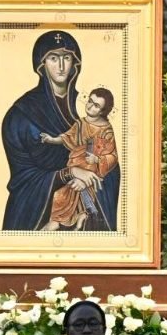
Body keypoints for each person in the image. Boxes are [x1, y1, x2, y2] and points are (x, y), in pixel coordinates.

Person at [1, 29, 120, 231]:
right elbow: (23, 178)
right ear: (41, 64)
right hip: (35, 212)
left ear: (76, 63)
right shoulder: (21, 114)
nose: (62, 66)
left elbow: (110, 161)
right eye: (53, 58)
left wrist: (92, 175)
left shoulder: (85, 108)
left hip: (88, 205)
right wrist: (70, 172)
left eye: (67, 58)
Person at [40, 86, 118, 231]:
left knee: (71, 190)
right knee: (62, 194)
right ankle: (77, 215)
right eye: (90, 101)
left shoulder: (106, 129)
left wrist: (98, 160)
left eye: (96, 105)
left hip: (93, 169)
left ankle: (77, 214)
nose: (90, 106)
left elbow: (113, 156)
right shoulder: (81, 123)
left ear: (102, 111)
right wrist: (51, 139)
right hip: (77, 164)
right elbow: (67, 137)